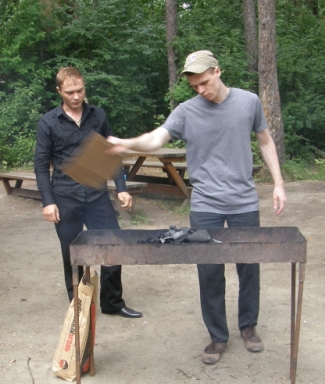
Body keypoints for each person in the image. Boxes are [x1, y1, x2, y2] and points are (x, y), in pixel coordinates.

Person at [108, 50, 286, 364]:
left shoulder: (249, 102)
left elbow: (265, 140)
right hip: (205, 204)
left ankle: (248, 326)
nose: (201, 90)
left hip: (244, 201)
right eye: (195, 86)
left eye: (204, 82)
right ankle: (218, 336)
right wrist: (126, 143)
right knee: (209, 271)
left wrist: (278, 183)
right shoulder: (186, 112)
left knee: (249, 266)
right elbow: (155, 140)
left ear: (217, 71)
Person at [35, 67, 143, 319]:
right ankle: (79, 308)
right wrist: (48, 202)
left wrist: (122, 188)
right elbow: (40, 165)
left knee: (113, 246)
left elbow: (111, 153)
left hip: (97, 196)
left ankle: (112, 303)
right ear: (59, 91)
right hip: (65, 198)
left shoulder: (98, 116)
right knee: (73, 254)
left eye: (80, 90)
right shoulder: (48, 122)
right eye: (70, 92)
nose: (76, 96)